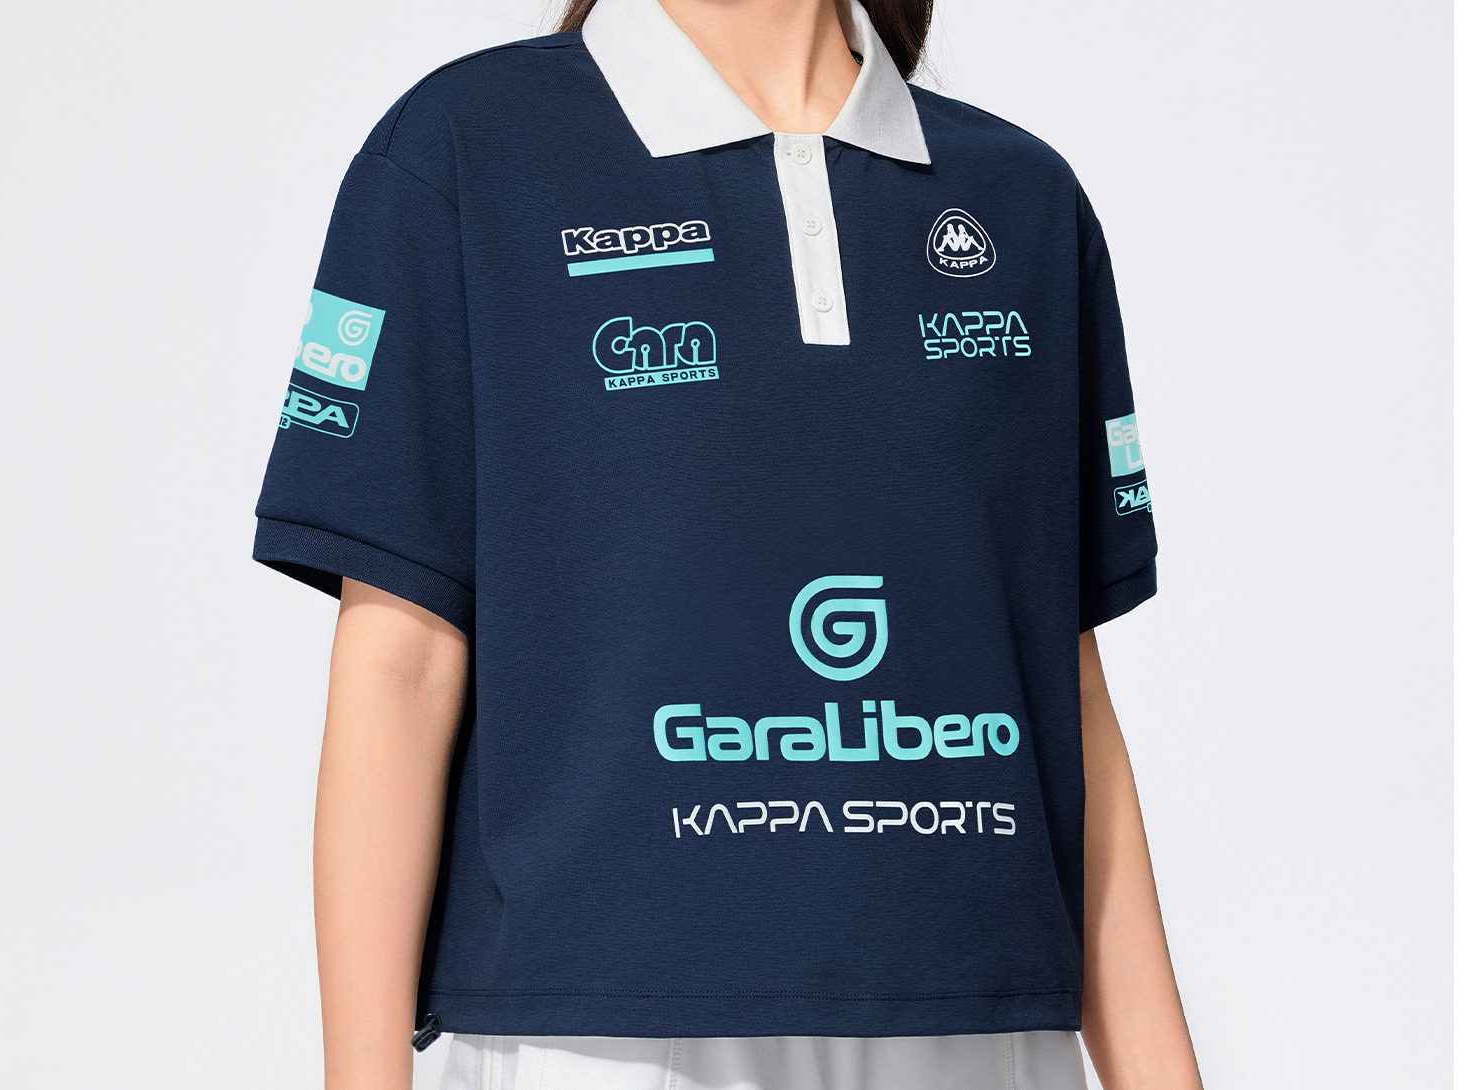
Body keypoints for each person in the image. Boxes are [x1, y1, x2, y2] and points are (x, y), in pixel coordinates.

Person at [252, 0, 1205, 1086]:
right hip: (600, 1035)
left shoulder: (1024, 199)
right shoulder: (464, 151)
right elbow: (401, 665)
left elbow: (1066, 695)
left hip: (988, 1027)